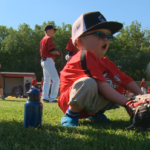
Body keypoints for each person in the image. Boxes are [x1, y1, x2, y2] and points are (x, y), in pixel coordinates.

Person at [58, 11, 143, 127]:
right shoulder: (84, 55)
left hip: (89, 101)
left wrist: (142, 97)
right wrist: (128, 103)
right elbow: (101, 85)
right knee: (88, 82)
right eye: (101, 35)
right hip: (69, 101)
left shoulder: (106, 62)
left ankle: (94, 113)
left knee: (115, 84)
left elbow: (126, 80)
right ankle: (71, 114)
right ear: (80, 41)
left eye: (109, 36)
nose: (106, 40)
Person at [40, 24, 60, 103]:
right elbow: (51, 50)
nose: (54, 32)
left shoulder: (43, 39)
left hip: (43, 60)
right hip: (48, 60)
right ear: (48, 31)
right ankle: (52, 98)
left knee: (47, 80)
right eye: (53, 30)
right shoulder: (48, 38)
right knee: (56, 79)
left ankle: (44, 97)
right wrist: (57, 52)